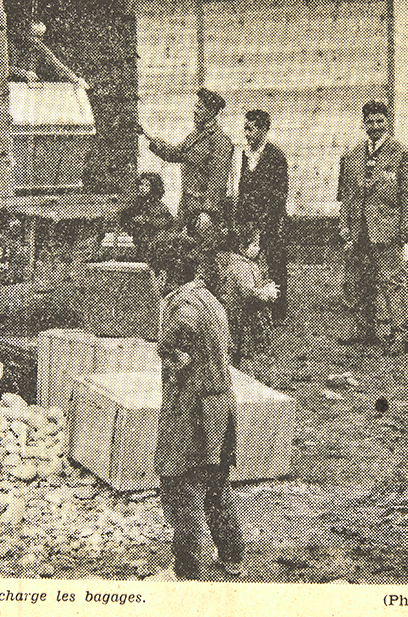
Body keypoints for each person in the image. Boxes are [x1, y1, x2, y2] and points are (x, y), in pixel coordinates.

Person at [147, 231, 245, 581]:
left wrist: (171, 352)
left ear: (162, 274)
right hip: (220, 405)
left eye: (154, 274)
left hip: (191, 412)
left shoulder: (180, 309)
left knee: (179, 488)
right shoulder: (210, 300)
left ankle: (186, 570)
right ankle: (233, 555)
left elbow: (180, 354)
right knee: (217, 485)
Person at [337, 100, 408, 354]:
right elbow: (346, 195)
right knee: (361, 280)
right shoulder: (352, 156)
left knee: (391, 281)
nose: (374, 126)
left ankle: (401, 335)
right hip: (359, 231)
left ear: (387, 122)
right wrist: (345, 225)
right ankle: (365, 329)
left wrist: (405, 229)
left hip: (387, 230)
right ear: (364, 124)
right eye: (369, 122)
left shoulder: (402, 154)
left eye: (379, 121)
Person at [139, 88, 233, 236]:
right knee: (175, 246)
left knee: (198, 251)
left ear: (211, 112)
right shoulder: (195, 136)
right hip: (187, 204)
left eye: (200, 108)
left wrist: (207, 213)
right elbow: (175, 154)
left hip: (203, 211)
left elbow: (218, 181)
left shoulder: (220, 141)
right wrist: (147, 136)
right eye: (196, 106)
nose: (195, 111)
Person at [230, 110, 289, 324]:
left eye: (251, 129)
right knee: (246, 263)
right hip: (248, 220)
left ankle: (278, 312)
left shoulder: (276, 157)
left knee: (275, 264)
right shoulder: (244, 156)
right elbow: (242, 189)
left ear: (263, 130)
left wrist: (263, 227)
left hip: (271, 220)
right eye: (245, 128)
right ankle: (252, 307)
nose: (246, 133)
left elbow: (279, 195)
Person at [218, 223, 278, 382]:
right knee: (243, 351)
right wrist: (265, 294)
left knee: (243, 351)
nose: (257, 248)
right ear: (242, 246)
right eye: (254, 244)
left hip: (245, 315)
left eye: (258, 244)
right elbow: (248, 293)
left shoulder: (248, 264)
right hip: (241, 316)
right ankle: (245, 379)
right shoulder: (240, 266)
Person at [120, 172, 174, 259]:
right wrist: (132, 222)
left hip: (154, 244)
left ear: (153, 188)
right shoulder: (136, 203)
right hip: (138, 241)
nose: (142, 188)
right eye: (141, 184)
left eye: (146, 185)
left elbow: (167, 221)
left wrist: (147, 220)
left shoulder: (158, 205)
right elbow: (125, 217)